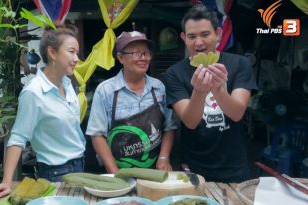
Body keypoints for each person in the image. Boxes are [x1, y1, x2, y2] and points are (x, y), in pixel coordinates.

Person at [0, 24, 86, 198]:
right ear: (52, 53)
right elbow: (18, 137)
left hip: (79, 166)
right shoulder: (33, 92)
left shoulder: (67, 84)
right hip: (55, 173)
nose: (77, 58)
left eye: (77, 53)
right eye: (71, 51)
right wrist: (6, 181)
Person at [164, 4, 257, 183]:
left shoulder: (239, 64)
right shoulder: (174, 73)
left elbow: (237, 114)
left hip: (234, 166)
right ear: (184, 38)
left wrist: (218, 89)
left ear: (218, 33)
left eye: (205, 34)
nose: (198, 42)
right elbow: (190, 122)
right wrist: (199, 91)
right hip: (193, 167)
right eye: (192, 36)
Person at [86, 31, 176, 173]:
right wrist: (116, 174)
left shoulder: (159, 87)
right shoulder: (106, 91)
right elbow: (97, 135)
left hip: (153, 170)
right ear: (121, 58)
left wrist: (164, 158)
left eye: (146, 53)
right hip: (118, 169)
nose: (143, 58)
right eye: (136, 53)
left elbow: (169, 127)